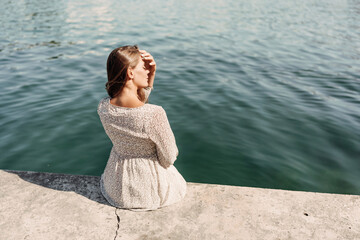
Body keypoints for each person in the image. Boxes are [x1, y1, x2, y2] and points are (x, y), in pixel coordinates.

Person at [97, 45, 187, 211]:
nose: (148, 71)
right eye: (144, 68)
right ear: (130, 73)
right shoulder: (154, 114)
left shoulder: (103, 107)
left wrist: (150, 76)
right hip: (149, 188)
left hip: (116, 184)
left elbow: (136, 108)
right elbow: (169, 157)